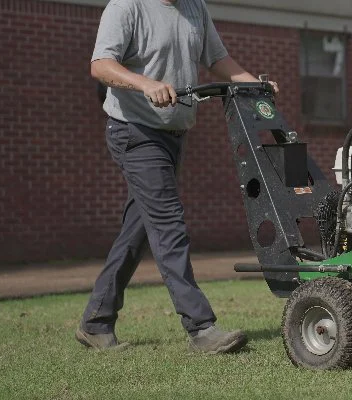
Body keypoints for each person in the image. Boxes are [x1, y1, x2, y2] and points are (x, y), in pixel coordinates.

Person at [77, 0, 277, 353]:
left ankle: (96, 321)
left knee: (138, 231)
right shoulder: (126, 7)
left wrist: (253, 85)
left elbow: (217, 60)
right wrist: (144, 84)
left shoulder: (194, 7)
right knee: (168, 224)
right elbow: (101, 65)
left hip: (173, 135)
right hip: (135, 132)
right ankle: (201, 327)